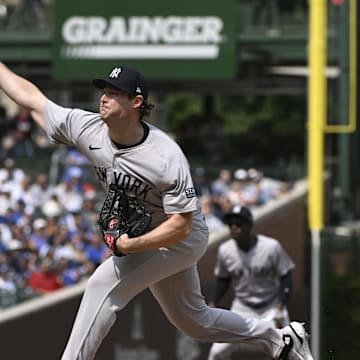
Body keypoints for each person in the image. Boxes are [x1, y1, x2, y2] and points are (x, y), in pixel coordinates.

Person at [0, 61, 313, 360]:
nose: (104, 98)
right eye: (104, 90)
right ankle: (280, 339)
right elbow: (32, 100)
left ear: (136, 102)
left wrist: (130, 247)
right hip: (148, 232)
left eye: (114, 92)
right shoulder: (88, 128)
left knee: (103, 284)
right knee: (194, 322)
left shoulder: (165, 157)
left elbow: (182, 225)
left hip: (180, 237)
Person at [207, 205, 295, 359]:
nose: (234, 227)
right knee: (216, 352)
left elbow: (286, 277)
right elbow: (223, 280)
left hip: (271, 306)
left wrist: (280, 306)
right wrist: (213, 302)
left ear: (250, 225)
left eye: (239, 224)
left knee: (288, 351)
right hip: (242, 308)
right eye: (230, 224)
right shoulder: (225, 250)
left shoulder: (271, 247)